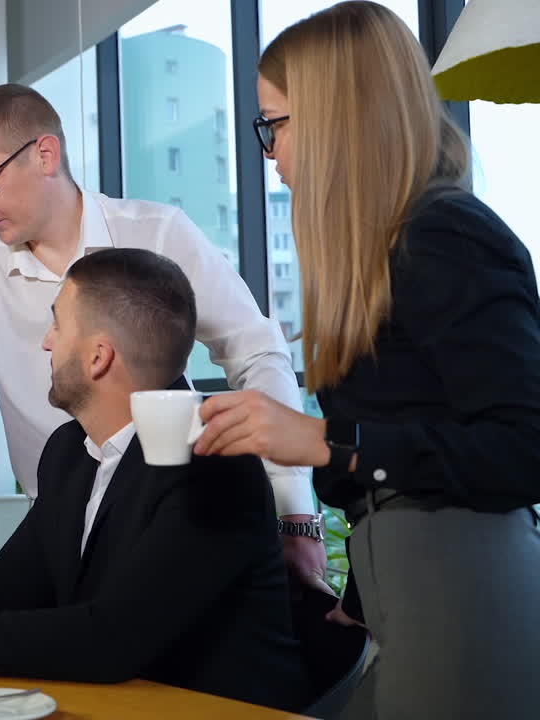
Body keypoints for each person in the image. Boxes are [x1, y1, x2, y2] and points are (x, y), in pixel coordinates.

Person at [0, 83, 326, 614]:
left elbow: (257, 355)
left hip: (168, 519)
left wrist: (293, 510)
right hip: (55, 526)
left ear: (45, 154)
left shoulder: (158, 233)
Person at [191, 3, 540, 717]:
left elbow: (524, 449)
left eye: (274, 124)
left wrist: (325, 441)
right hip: (409, 590)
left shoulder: (447, 236)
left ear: (336, 117)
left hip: (463, 594)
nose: (270, 152)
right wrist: (361, 593)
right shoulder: (384, 254)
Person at [0, 248, 311, 712]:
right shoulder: (69, 452)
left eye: (58, 324)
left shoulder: (214, 466)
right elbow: (10, 588)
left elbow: (111, 638)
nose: (46, 342)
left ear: (98, 357)